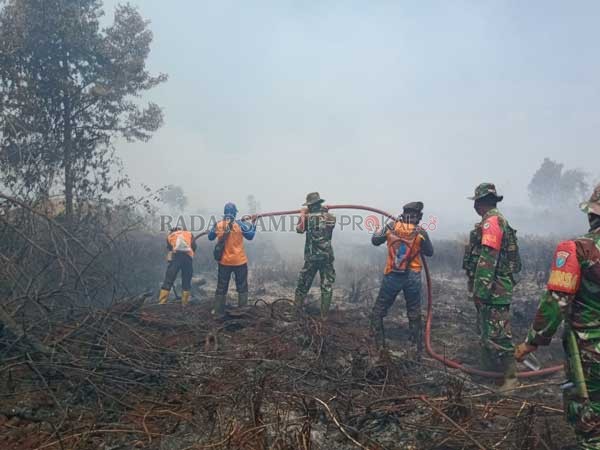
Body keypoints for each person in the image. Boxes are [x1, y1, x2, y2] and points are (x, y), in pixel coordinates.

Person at [515, 184, 600, 450]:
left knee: (592, 420)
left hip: (591, 351)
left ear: (592, 214)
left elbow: (556, 302)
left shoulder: (577, 249)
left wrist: (532, 341)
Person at [463, 183, 522, 392]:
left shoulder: (492, 222)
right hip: (492, 288)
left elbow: (488, 258)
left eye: (476, 202)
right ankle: (487, 371)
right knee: (486, 330)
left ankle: (510, 379)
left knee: (499, 333)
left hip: (494, 289)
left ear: (480, 203)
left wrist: (481, 290)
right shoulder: (492, 220)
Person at [369, 202, 434, 353]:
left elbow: (375, 240)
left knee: (379, 310)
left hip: (392, 274)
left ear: (403, 213)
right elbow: (429, 252)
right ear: (419, 216)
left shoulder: (391, 227)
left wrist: (382, 229)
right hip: (413, 276)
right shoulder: (421, 232)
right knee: (413, 311)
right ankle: (415, 348)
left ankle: (377, 346)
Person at [208, 202, 256, 315]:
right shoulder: (240, 225)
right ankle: (243, 310)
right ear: (235, 212)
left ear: (224, 212)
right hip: (240, 261)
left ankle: (218, 311)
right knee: (242, 286)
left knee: (221, 286)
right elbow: (251, 236)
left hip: (224, 262)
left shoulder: (218, 224)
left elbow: (210, 237)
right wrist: (254, 224)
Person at [294, 192, 336, 318]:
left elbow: (299, 229)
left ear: (311, 205)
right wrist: (324, 210)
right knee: (327, 286)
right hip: (327, 257)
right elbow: (325, 220)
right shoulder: (331, 217)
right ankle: (324, 317)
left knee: (302, 285)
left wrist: (302, 214)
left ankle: (296, 314)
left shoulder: (307, 218)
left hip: (312, 258)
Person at [158, 226, 197, 306]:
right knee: (186, 281)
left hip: (176, 258)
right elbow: (194, 247)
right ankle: (184, 304)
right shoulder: (189, 234)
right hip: (187, 259)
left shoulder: (170, 236)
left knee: (168, 280)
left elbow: (170, 248)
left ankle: (161, 303)